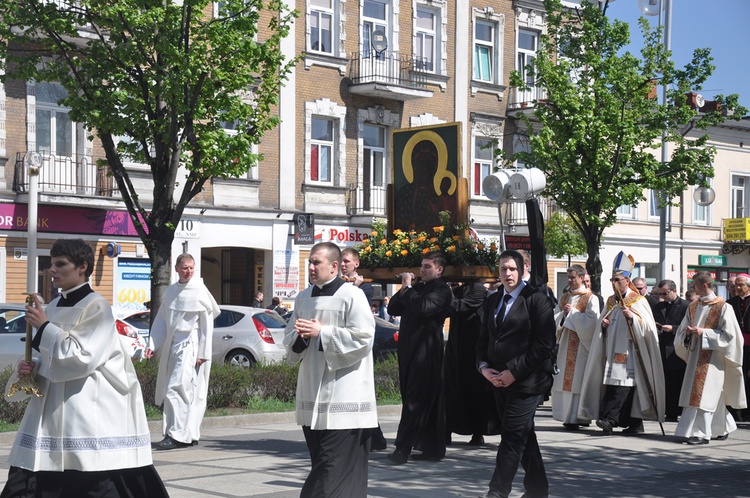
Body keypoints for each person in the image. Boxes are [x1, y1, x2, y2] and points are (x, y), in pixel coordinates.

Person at [1, 238, 168, 498]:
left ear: (82, 267)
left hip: (87, 410)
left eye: (61, 264)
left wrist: (45, 327)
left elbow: (82, 358)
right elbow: (50, 356)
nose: (52, 270)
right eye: (52, 264)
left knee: (88, 477)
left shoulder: (96, 306)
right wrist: (32, 368)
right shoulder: (54, 306)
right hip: (53, 409)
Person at [283, 242, 377, 497]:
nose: (311, 267)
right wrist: (301, 338)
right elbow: (289, 337)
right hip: (312, 390)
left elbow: (364, 338)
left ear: (335, 266)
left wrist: (322, 333)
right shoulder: (303, 297)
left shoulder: (352, 295)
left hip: (344, 393)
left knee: (330, 466)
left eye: (317, 262)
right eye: (310, 262)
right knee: (323, 462)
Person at [476, 250, 556, 498]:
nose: (507, 273)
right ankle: (538, 490)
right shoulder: (492, 300)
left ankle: (496, 493)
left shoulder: (536, 299)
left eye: (512, 268)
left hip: (528, 381)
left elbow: (544, 344)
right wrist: (483, 366)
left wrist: (514, 371)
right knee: (523, 435)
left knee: (511, 436)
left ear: (522, 270)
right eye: (503, 269)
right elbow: (484, 338)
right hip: (499, 380)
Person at [579, 251, 665, 435]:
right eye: (612, 280)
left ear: (627, 280)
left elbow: (647, 327)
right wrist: (603, 326)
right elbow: (605, 325)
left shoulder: (638, 300)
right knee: (617, 385)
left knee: (622, 386)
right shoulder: (611, 301)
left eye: (617, 279)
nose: (614, 283)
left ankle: (610, 420)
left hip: (630, 352)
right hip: (611, 351)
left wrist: (633, 318)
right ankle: (634, 423)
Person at [145, 253, 221, 450]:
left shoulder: (199, 291)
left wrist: (202, 353)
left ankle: (177, 434)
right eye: (185, 267)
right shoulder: (171, 292)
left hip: (191, 345)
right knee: (185, 390)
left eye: (191, 267)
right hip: (174, 345)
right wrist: (152, 344)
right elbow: (161, 322)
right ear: (177, 269)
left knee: (177, 388)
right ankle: (187, 432)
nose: (188, 271)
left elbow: (206, 326)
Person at [386, 251, 452, 465]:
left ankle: (402, 448)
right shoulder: (418, 288)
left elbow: (424, 308)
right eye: (421, 266)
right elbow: (393, 307)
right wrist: (405, 288)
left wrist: (409, 287)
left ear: (439, 269)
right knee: (417, 397)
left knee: (416, 399)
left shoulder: (442, 290)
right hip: (408, 349)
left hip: (426, 351)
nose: (422, 270)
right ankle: (432, 447)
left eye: (427, 267)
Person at [674, 271, 747, 444]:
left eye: (694, 284)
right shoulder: (692, 306)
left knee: (706, 394)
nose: (692, 287)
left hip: (714, 358)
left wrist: (704, 333)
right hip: (695, 356)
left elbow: (731, 336)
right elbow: (682, 330)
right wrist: (688, 333)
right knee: (712, 394)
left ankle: (701, 433)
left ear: (705, 285)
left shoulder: (723, 307)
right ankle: (724, 426)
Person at [340, 246, 387, 451]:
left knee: (360, 391)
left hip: (358, 344)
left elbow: (359, 312)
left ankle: (376, 438)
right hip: (339, 342)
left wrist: (355, 288)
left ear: (356, 264)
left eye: (347, 261)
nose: (343, 265)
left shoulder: (365, 288)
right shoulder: (336, 284)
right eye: (341, 261)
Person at [444, 281, 496, 445]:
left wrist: (447, 290)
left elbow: (457, 307)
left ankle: (477, 431)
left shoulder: (478, 289)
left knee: (473, 391)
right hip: (456, 346)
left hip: (471, 348)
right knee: (451, 390)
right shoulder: (459, 289)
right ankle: (447, 430)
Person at [551, 265, 600, 430]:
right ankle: (567, 416)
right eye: (568, 277)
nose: (570, 280)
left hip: (581, 346)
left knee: (578, 382)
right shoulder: (564, 297)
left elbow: (593, 321)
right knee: (565, 381)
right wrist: (563, 316)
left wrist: (572, 314)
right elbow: (554, 317)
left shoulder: (590, 298)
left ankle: (581, 417)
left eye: (573, 277)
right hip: (565, 344)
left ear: (581, 277)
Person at [651, 279, 690, 422]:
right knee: (664, 382)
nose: (662, 297)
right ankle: (666, 410)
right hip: (661, 347)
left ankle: (676, 411)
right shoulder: (658, 306)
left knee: (677, 382)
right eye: (659, 294)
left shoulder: (686, 306)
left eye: (665, 293)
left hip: (677, 350)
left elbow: (688, 326)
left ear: (673, 291)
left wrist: (673, 328)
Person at [726, 273, 750, 422]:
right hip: (734, 346)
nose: (738, 288)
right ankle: (735, 412)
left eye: (741, 285)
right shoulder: (730, 303)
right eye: (736, 285)